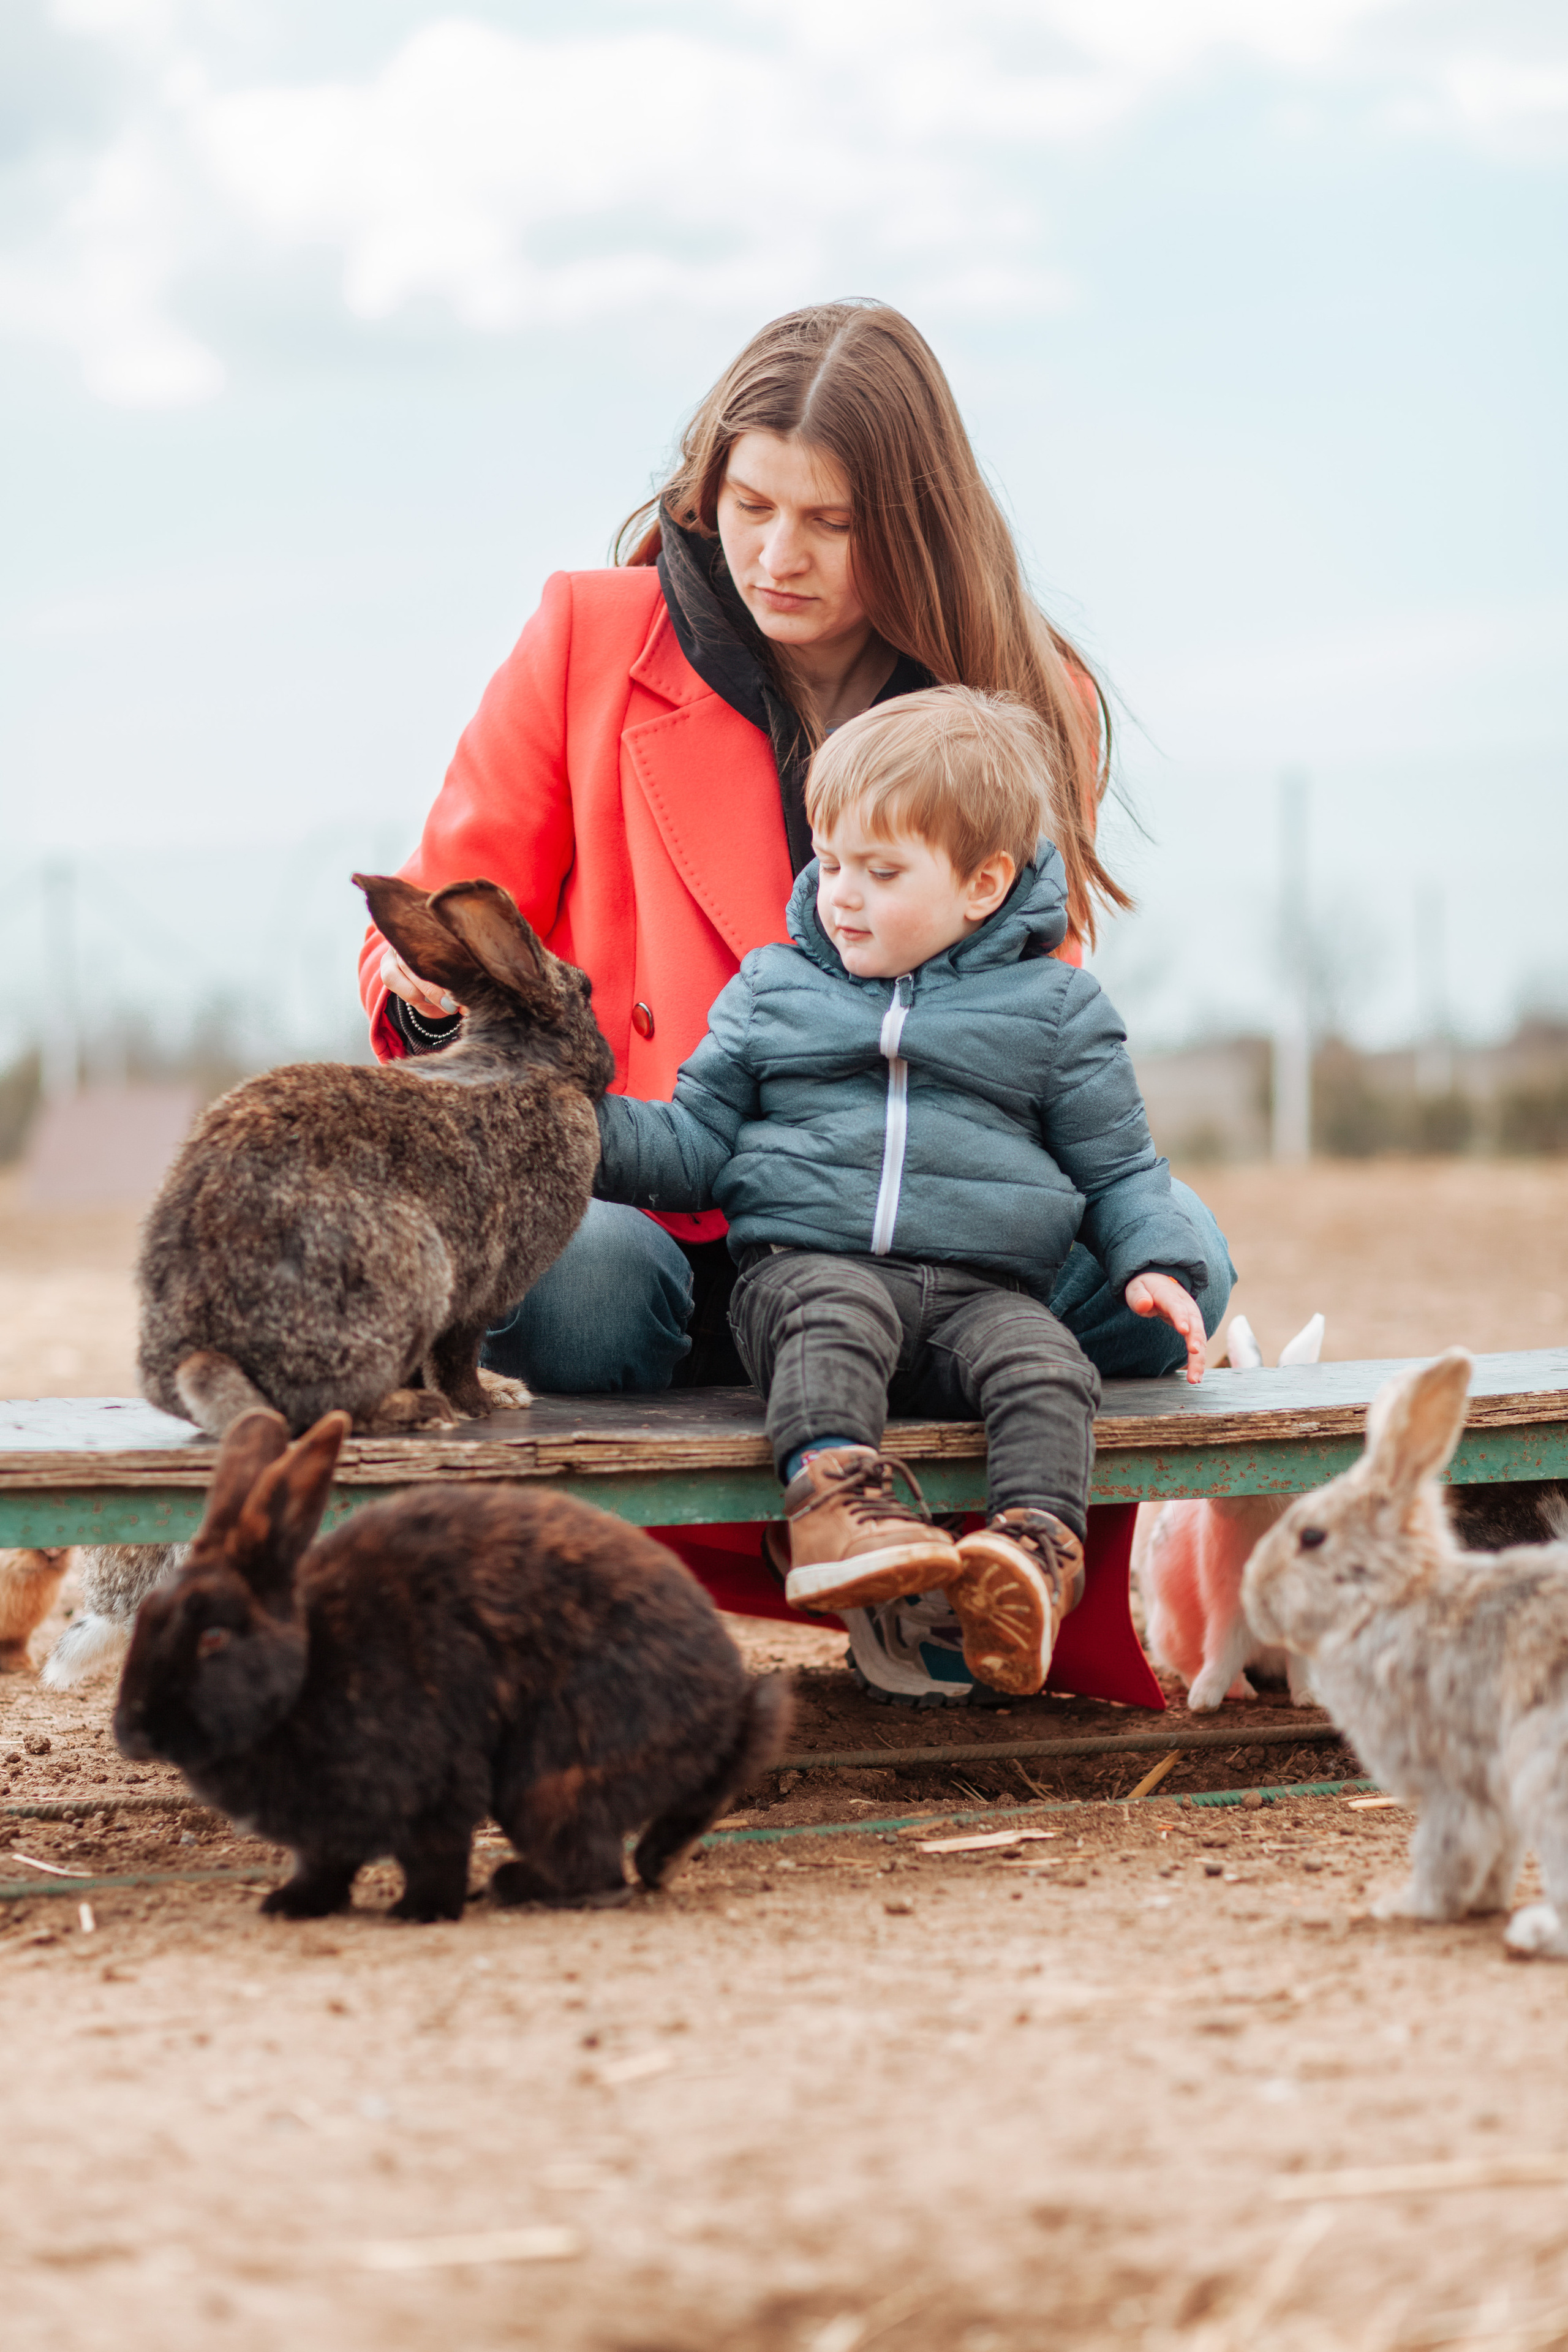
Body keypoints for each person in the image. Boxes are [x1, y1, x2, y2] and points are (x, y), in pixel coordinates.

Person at [358, 298, 1234, 1703]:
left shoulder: (1030, 691)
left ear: (912, 521)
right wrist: (431, 999)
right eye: (747, 504)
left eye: (827, 521)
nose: (776, 555)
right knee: (588, 1285)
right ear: (706, 489)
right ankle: (822, 1542)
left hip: (913, 1236)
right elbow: (438, 918)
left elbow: (1029, 1015)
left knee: (1176, 1271)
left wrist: (1142, 1241)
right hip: (662, 1195)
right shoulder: (589, 635)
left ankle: (972, 1560)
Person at [590, 685, 1207, 1697]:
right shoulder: (775, 988)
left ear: (982, 884)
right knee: (828, 1319)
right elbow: (694, 1144)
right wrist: (585, 1127)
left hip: (983, 1293)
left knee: (1050, 1367)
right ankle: (838, 1501)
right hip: (808, 1268)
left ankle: (1032, 1554)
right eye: (830, 862)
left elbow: (1121, 1164)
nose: (840, 895)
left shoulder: (1056, 1010)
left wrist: (1156, 1262)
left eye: (881, 873)